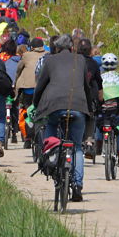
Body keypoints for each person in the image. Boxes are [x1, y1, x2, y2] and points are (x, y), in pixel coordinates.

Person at [33, 34, 92, 202]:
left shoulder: (50, 61)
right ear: (71, 47)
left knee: (51, 135)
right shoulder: (80, 60)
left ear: (56, 47)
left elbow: (41, 85)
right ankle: (78, 185)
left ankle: (51, 162)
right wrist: (88, 106)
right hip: (78, 105)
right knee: (77, 147)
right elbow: (86, 87)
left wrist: (37, 104)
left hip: (54, 106)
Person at [96, 53, 119, 167]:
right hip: (116, 110)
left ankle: (98, 144)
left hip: (104, 110)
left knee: (98, 124)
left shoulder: (100, 78)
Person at [15, 38, 47, 148]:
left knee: (28, 111)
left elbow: (19, 69)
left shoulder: (26, 55)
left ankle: (28, 138)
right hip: (43, 89)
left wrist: (16, 84)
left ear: (31, 47)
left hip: (29, 89)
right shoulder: (49, 55)